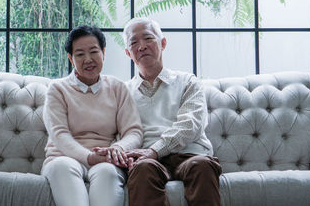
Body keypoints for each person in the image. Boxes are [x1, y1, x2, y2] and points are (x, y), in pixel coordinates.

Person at [121, 18, 222, 206]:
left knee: (202, 166)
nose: (141, 46)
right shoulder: (123, 92)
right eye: (134, 42)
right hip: (147, 161)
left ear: (163, 43)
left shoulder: (188, 82)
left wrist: (155, 150)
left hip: (189, 154)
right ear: (128, 52)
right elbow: (120, 131)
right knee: (142, 169)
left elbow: (191, 125)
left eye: (148, 38)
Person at [41, 25, 143, 206]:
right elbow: (59, 134)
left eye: (94, 51)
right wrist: (89, 157)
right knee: (63, 167)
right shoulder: (57, 89)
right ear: (71, 59)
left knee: (108, 172)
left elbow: (134, 131)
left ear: (103, 52)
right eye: (79, 54)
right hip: (63, 158)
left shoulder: (117, 87)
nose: (88, 59)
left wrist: (117, 148)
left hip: (105, 161)